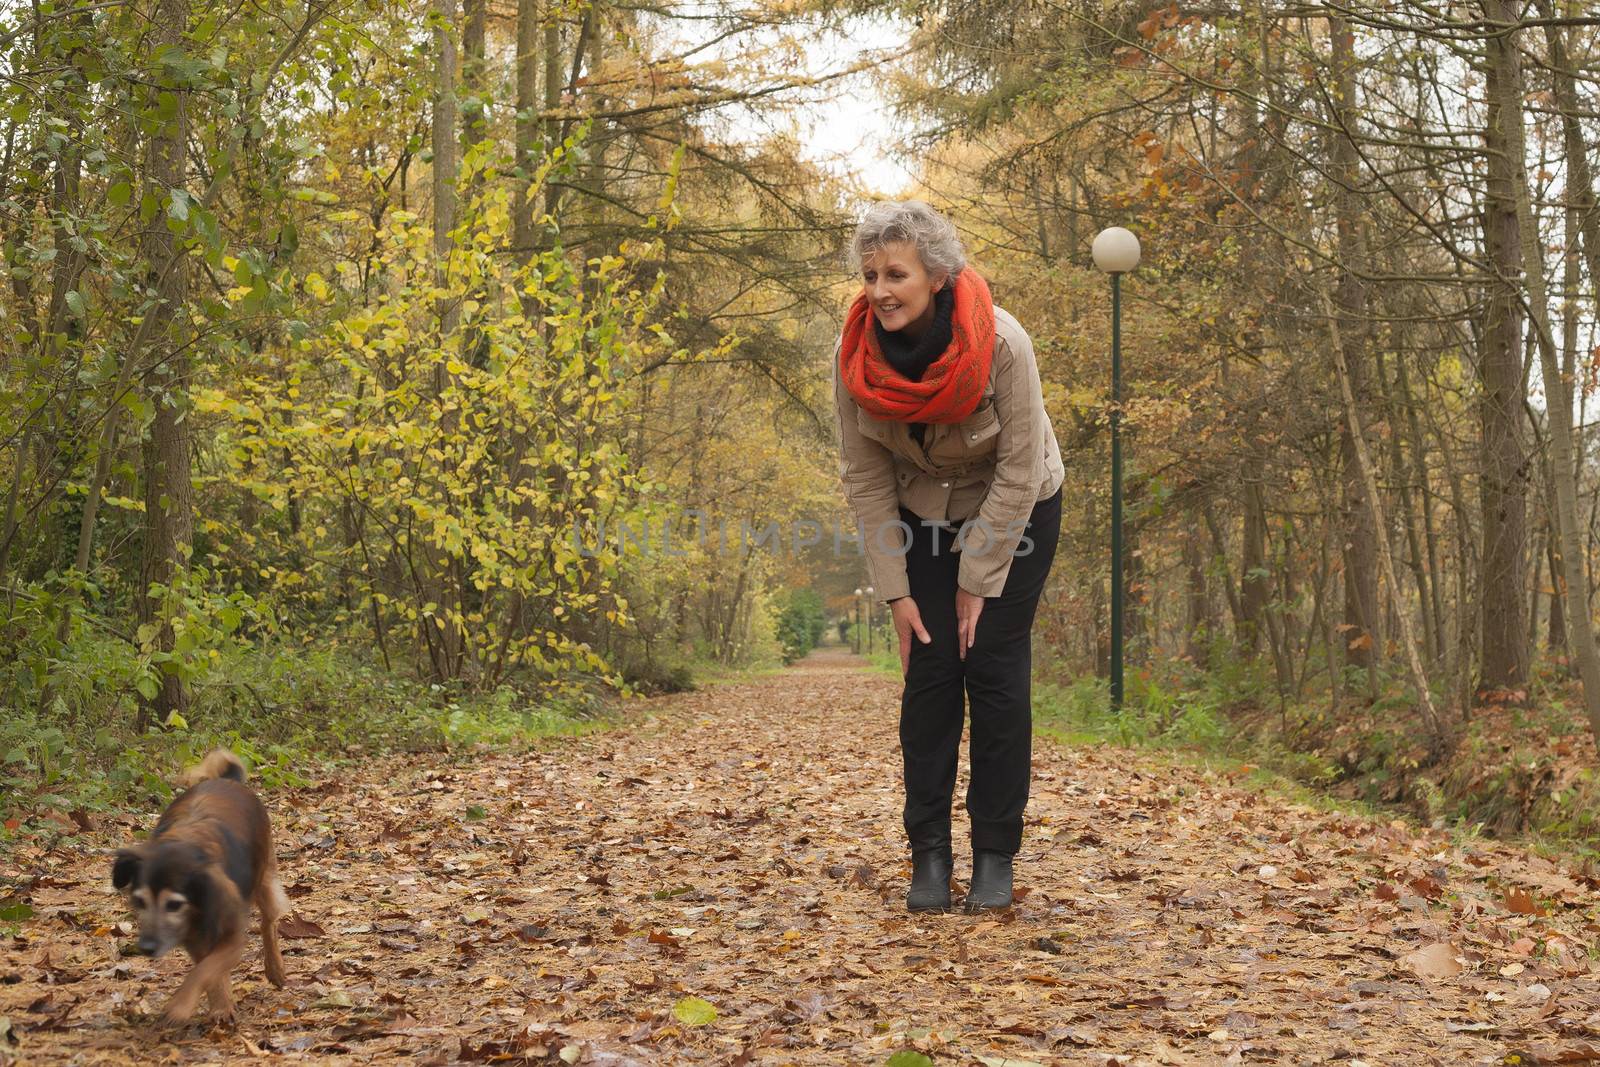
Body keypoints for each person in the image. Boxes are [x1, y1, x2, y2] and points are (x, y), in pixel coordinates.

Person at [832, 200, 1064, 912]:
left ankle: (996, 853)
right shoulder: (854, 358)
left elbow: (1019, 470)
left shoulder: (1001, 344)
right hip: (920, 515)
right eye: (870, 274)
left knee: (992, 668)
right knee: (931, 673)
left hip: (1016, 507)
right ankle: (928, 853)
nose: (879, 289)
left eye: (895, 273)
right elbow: (866, 479)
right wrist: (898, 593)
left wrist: (978, 577)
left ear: (934, 275)